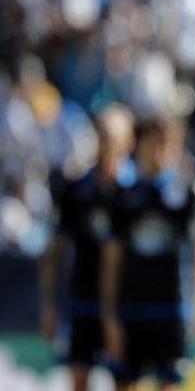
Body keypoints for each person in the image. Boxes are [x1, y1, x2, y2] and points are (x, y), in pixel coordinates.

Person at [100, 116, 195, 391]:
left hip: (173, 309)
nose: (159, 151)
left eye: (167, 143)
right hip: (132, 308)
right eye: (154, 142)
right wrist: (110, 317)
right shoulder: (122, 196)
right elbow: (111, 261)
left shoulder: (190, 194)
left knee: (170, 384)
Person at [39, 104, 136, 391]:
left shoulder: (138, 192)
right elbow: (56, 249)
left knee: (127, 381)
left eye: (113, 136)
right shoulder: (76, 190)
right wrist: (49, 303)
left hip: (126, 303)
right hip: (83, 299)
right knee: (79, 379)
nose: (107, 143)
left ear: (129, 141)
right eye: (102, 135)